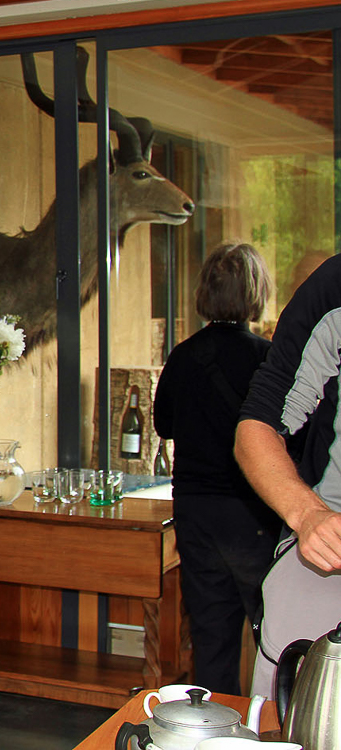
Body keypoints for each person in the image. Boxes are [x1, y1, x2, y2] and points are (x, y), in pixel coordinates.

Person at [153, 243, 279, 694]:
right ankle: (271, 728)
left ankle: (214, 728)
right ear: (256, 292)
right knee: (273, 636)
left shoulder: (184, 356)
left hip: (196, 513)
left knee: (211, 636)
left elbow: (163, 425)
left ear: (204, 291)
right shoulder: (267, 358)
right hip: (254, 514)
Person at [235, 251, 341, 696]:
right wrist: (308, 516)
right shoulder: (334, 287)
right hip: (331, 548)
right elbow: (256, 427)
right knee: (292, 707)